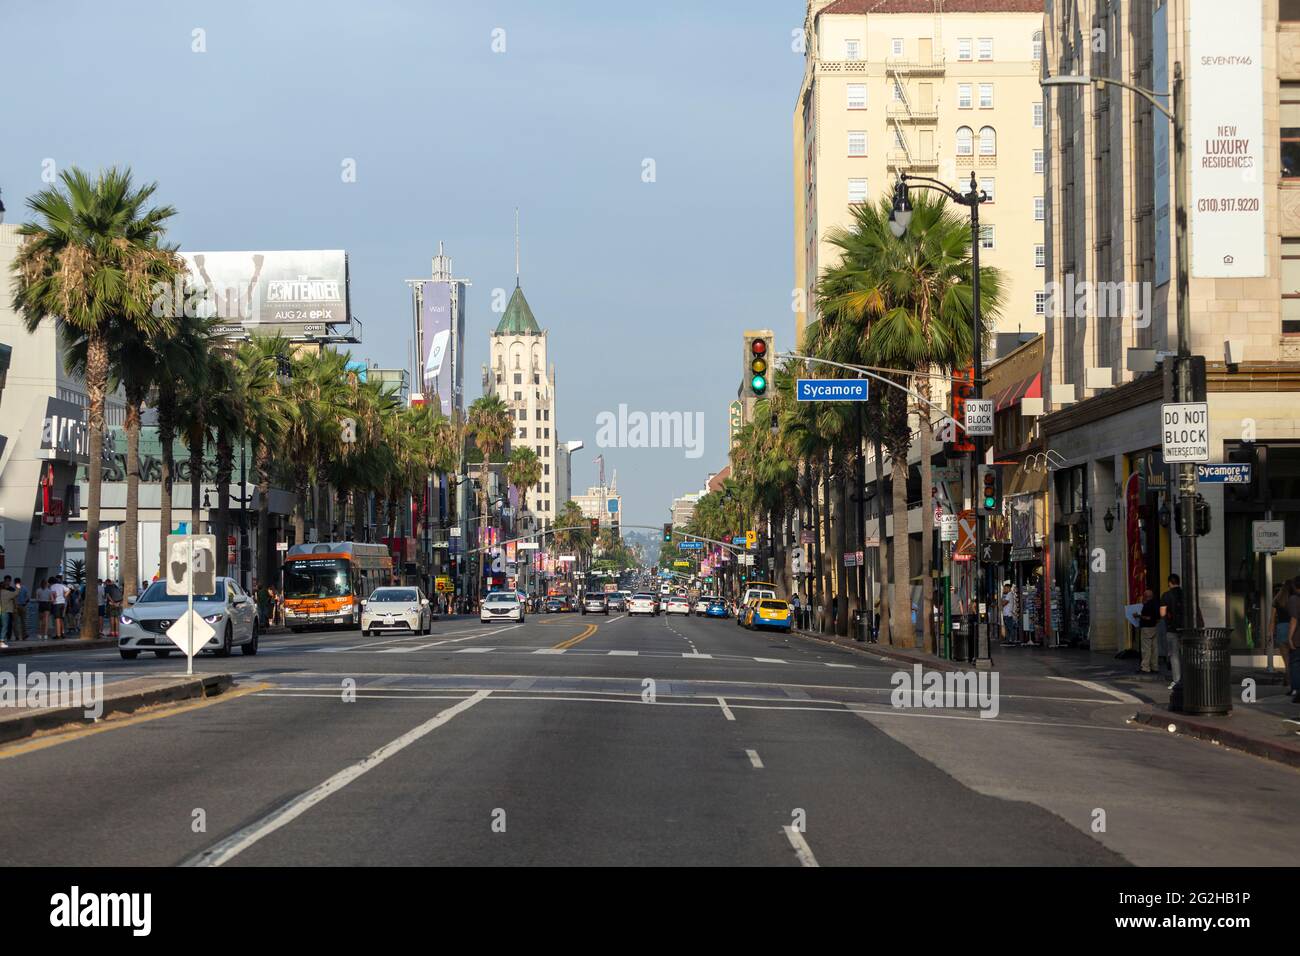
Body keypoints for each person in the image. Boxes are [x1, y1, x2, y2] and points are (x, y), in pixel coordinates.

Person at [1159, 573, 1184, 689]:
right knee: (1187, 654)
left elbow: (1162, 613)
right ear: (1178, 582)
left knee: (1174, 655)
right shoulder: (1186, 593)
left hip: (1172, 628)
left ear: (1169, 583)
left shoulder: (1166, 596)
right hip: (1186, 629)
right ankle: (1187, 678)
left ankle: (1177, 680)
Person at [1271, 579, 1295, 691]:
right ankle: (1293, 686)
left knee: (1286, 662)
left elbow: (1272, 620)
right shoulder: (1294, 600)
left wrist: (1270, 634)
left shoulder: (1277, 600)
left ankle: (1288, 683)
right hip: (1293, 629)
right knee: (1294, 660)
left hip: (1281, 629)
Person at [1138, 587, 1161, 673]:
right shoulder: (1156, 603)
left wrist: (1138, 616)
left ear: (1145, 596)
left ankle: (1145, 667)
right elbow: (1158, 618)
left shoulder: (1147, 606)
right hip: (1154, 627)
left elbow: (1148, 617)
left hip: (1146, 628)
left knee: (1146, 648)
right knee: (1154, 648)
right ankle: (1155, 666)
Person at [1000, 582, 1018, 647]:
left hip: (1008, 615)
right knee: (1007, 628)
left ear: (1008, 588)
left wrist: (1002, 600)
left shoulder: (1009, 594)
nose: (1004, 589)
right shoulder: (1008, 594)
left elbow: (1003, 603)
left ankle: (1012, 640)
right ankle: (1008, 640)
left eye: (1005, 588)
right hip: (1006, 614)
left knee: (1010, 628)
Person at [12, 577, 28, 642]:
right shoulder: (24, 588)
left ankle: (17, 636)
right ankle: (24, 635)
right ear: (20, 582)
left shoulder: (13, 589)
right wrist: (25, 603)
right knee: (23, 621)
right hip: (23, 606)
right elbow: (28, 598)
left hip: (15, 607)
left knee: (15, 622)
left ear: (14, 582)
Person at [0, 576, 14, 647]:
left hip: (7, 610)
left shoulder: (11, 589)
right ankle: (2, 640)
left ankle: (6, 638)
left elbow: (14, 599)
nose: (7, 582)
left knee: (7, 624)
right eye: (6, 581)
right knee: (4, 625)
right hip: (4, 610)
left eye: (8, 581)